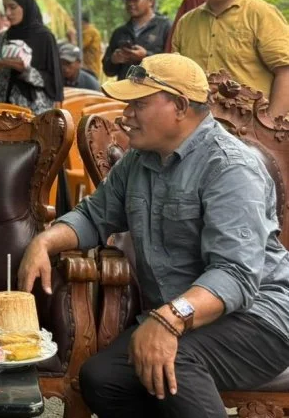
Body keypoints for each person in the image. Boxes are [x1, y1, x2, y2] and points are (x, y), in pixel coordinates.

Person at [18, 53, 289, 418]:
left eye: (138, 104)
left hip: (259, 319)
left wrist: (169, 320)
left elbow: (236, 276)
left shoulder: (230, 167)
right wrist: (44, 241)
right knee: (101, 379)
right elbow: (93, 216)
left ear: (179, 106)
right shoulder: (139, 160)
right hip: (179, 315)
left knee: (173, 360)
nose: (125, 115)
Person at [172, 0, 289, 117]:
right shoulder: (186, 22)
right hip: (198, 128)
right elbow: (176, 76)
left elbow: (285, 71)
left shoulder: (261, 14)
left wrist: (269, 126)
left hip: (251, 130)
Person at [0, 0, 63, 113]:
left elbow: (53, 81)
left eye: (13, 7)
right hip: (0, 110)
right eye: (5, 8)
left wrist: (25, 70)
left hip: (32, 112)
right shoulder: (3, 37)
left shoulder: (44, 37)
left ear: (26, 5)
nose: (8, 13)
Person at [103, 0, 172, 81]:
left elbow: (173, 65)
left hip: (154, 92)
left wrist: (146, 57)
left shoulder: (166, 27)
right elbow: (108, 71)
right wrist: (114, 59)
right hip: (125, 93)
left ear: (151, 1)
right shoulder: (120, 32)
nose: (130, 3)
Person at [81, 13, 103, 80]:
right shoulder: (88, 31)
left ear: (82, 22)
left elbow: (79, 47)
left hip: (90, 68)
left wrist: (72, 39)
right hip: (89, 67)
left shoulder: (89, 31)